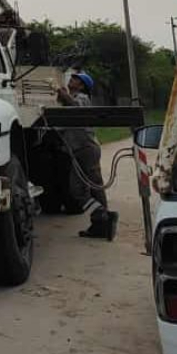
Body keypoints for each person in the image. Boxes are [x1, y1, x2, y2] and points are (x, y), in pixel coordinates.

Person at [56, 72, 118, 240]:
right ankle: (101, 222)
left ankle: (101, 219)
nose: (71, 79)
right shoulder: (70, 102)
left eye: (75, 79)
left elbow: (75, 106)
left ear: (82, 86)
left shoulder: (82, 98)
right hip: (81, 150)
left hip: (85, 149)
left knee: (85, 188)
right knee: (88, 188)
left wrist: (62, 94)